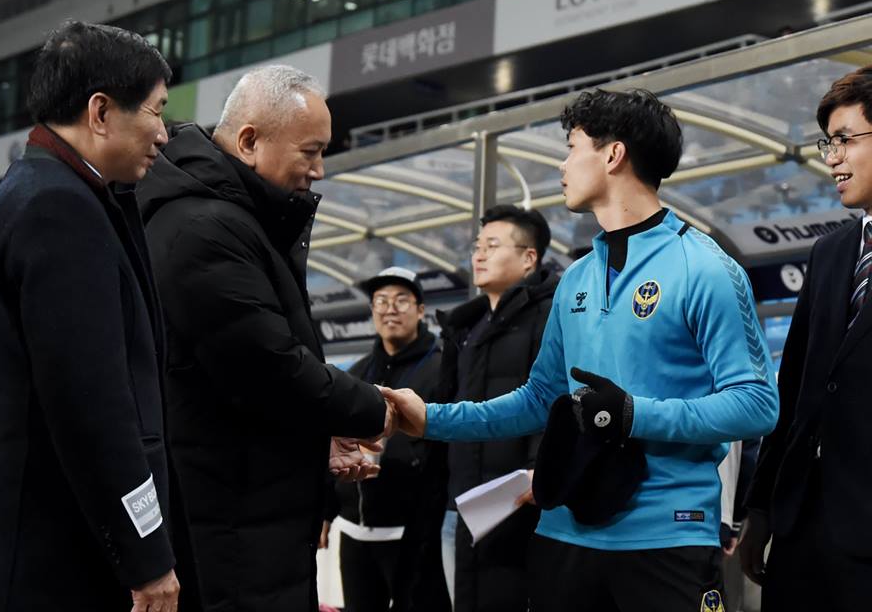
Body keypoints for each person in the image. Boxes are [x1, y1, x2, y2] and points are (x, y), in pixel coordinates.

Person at [383, 89, 779, 612]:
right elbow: (538, 399)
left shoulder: (705, 268)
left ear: (613, 155)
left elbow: (757, 404)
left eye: (571, 147)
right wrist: (430, 419)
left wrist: (633, 414)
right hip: (564, 533)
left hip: (668, 539)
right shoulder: (576, 281)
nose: (562, 164)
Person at [0, 21, 182, 612]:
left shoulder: (39, 190)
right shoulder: (60, 210)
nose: (164, 133)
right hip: (46, 558)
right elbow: (93, 408)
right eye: (155, 111)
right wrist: (147, 558)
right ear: (100, 112)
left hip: (30, 541)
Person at [138, 64, 390, 611]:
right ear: (249, 141)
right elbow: (267, 367)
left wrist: (318, 436)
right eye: (311, 151)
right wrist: (379, 409)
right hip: (231, 521)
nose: (320, 170)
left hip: (250, 507)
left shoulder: (230, 216)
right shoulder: (203, 227)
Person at [741, 65, 872, 611]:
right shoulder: (830, 253)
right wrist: (763, 509)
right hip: (800, 529)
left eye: (845, 140)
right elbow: (793, 391)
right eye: (828, 144)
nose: (833, 157)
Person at [437, 204, 558, 612]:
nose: (479, 255)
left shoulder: (549, 317)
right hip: (461, 506)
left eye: (493, 245)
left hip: (518, 508)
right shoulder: (465, 328)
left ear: (529, 258)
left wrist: (539, 470)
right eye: (477, 246)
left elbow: (553, 402)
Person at [327, 267, 449, 612]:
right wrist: (327, 510)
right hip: (354, 531)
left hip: (414, 532)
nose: (389, 309)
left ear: (421, 310)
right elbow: (332, 438)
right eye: (380, 301)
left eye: (400, 300)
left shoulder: (440, 368)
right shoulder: (357, 373)